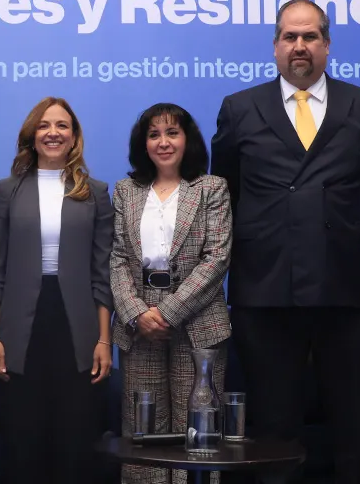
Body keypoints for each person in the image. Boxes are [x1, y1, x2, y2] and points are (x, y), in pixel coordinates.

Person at [210, 0, 360, 484]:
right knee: (274, 430)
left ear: (327, 45)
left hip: (347, 289)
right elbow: (226, 191)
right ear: (275, 47)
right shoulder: (239, 108)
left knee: (355, 424)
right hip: (267, 291)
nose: (300, 46)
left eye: (310, 36)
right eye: (290, 36)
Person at [0, 97, 113, 484]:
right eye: (44, 125)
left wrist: (104, 340)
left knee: (74, 442)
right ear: (31, 136)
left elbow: (102, 272)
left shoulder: (95, 192)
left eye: (61, 126)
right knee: (24, 443)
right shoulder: (7, 190)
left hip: (77, 328)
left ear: (74, 137)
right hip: (20, 329)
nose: (53, 133)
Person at [111, 103, 232, 484]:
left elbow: (217, 258)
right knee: (143, 434)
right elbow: (117, 258)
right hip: (139, 326)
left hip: (198, 325)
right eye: (154, 135)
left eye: (172, 133)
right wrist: (137, 313)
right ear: (143, 144)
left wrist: (166, 314)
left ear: (187, 139)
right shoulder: (126, 191)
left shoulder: (212, 188)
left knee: (196, 434)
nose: (163, 142)